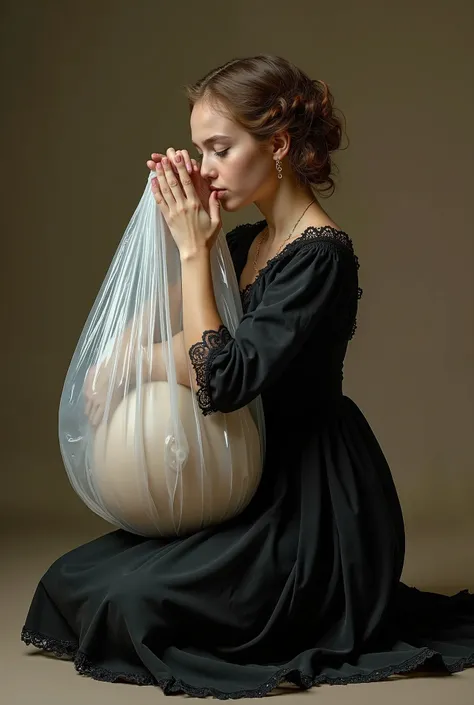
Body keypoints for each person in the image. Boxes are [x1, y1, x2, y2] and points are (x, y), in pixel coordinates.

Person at [21, 54, 474, 698]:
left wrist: (190, 256)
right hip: (247, 476)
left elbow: (222, 378)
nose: (207, 168)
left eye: (219, 148)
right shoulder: (246, 246)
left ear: (278, 144)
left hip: (310, 498)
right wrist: (128, 340)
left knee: (133, 603)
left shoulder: (321, 256)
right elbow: (165, 319)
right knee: (74, 580)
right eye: (199, 151)